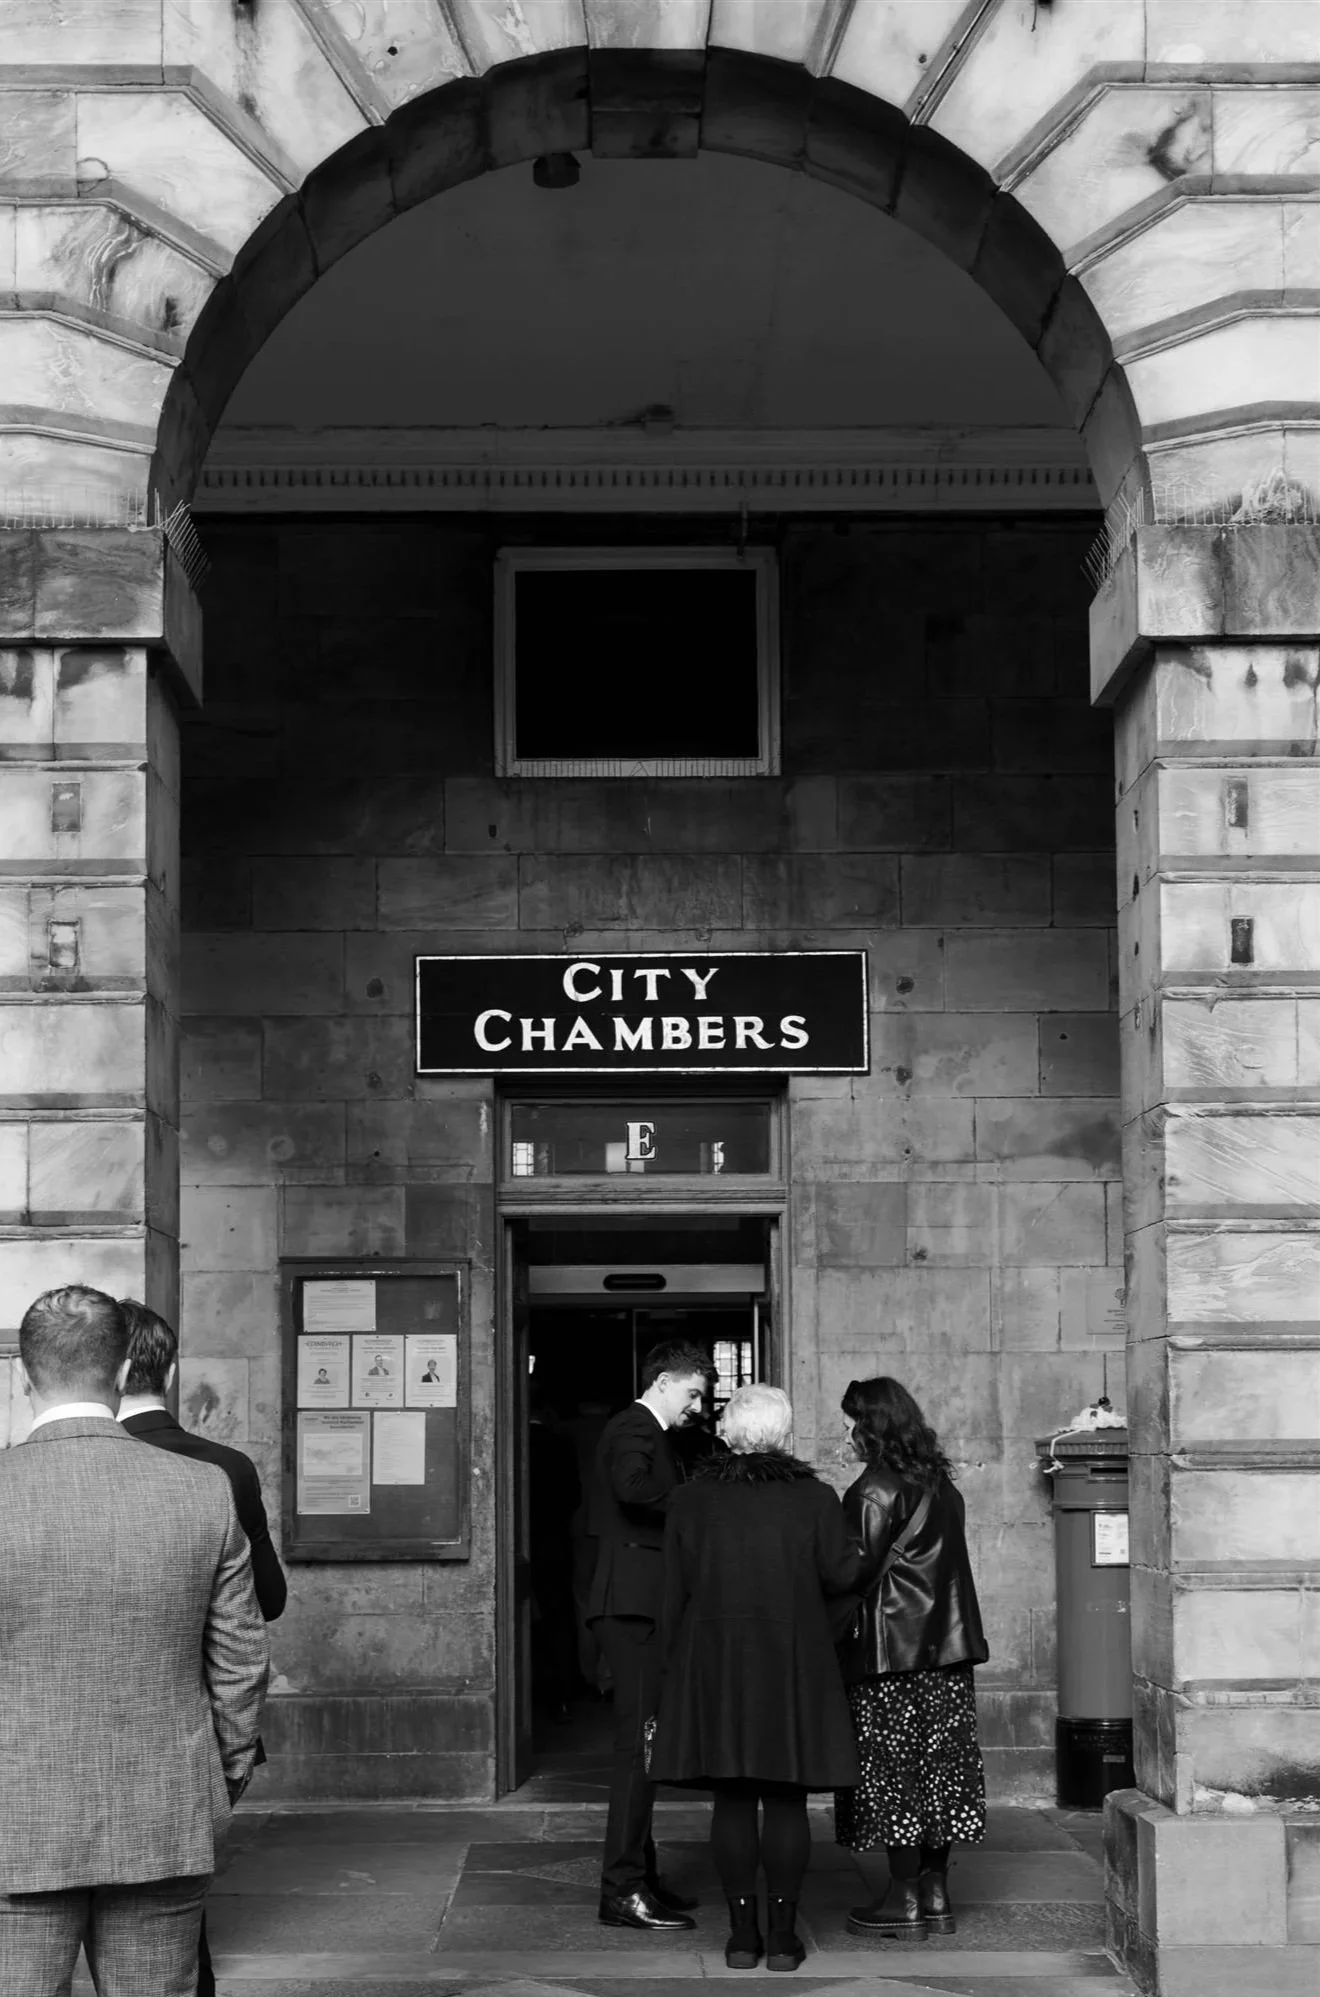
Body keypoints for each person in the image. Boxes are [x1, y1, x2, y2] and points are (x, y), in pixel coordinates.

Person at [0, 1286, 268, 1997]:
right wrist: (223, 1770)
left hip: (14, 1814)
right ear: (124, 1373)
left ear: (24, 1377)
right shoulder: (202, 1489)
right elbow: (241, 1658)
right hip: (162, 1807)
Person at [650, 1384, 864, 1972]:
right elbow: (841, 1576)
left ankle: (742, 1937)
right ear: (785, 1436)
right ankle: (784, 1937)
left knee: (734, 1798)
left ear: (726, 1434)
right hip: (791, 1661)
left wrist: (672, 1673)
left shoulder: (691, 1500)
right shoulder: (815, 1498)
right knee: (787, 1799)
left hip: (714, 1660)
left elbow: (674, 1594)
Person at [117, 1298, 288, 1997]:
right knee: (172, 1924)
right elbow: (265, 1601)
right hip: (188, 1729)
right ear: (172, 1368)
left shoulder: (36, 1469)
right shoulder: (223, 1468)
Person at [834, 1376, 989, 1941]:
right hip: (946, 1653)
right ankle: (936, 1892)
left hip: (889, 1657)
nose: (846, 1432)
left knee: (894, 1774)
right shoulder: (941, 1486)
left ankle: (901, 1899)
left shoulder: (874, 1491)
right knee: (941, 1772)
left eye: (852, 1421)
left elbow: (849, 1571)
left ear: (871, 1426)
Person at [586, 1338, 712, 1931]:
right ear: (663, 1382)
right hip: (631, 1607)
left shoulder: (650, 1430)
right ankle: (622, 1890)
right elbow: (633, 1491)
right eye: (692, 1393)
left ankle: (643, 1879)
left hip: (641, 1606)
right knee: (637, 1752)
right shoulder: (633, 1426)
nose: (696, 1406)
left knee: (644, 1748)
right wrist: (704, 1499)